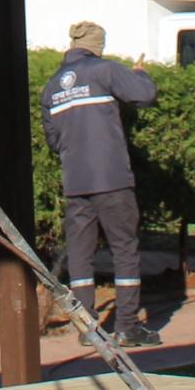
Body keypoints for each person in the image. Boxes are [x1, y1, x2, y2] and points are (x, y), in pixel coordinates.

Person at [44, 20, 160, 348]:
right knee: (124, 248)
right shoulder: (105, 71)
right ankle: (127, 327)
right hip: (111, 178)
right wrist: (139, 73)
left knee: (81, 253)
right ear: (98, 46)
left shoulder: (52, 87)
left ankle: (87, 328)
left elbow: (53, 140)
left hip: (75, 181)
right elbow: (145, 95)